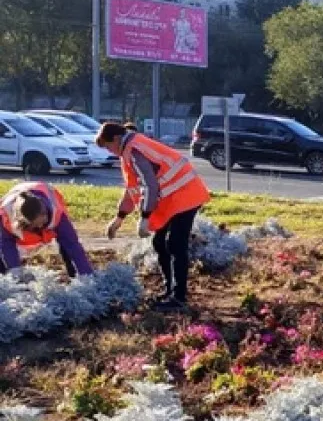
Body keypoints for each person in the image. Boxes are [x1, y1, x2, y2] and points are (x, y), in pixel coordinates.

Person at [94, 121, 211, 311]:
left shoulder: (134, 151)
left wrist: (145, 217)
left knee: (175, 245)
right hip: (173, 199)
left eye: (108, 146)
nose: (109, 151)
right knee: (159, 243)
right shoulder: (130, 149)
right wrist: (119, 218)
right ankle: (169, 290)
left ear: (116, 139)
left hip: (186, 195)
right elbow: (132, 189)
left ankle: (179, 298)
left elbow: (150, 186)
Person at [0, 182, 93, 278]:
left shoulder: (57, 214)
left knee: (67, 246)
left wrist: (87, 276)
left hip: (43, 192)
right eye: (36, 225)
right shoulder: (6, 217)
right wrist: (16, 274)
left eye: (43, 223)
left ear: (45, 214)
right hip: (14, 212)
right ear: (23, 222)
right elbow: (7, 247)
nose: (40, 226)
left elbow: (73, 246)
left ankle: (73, 274)